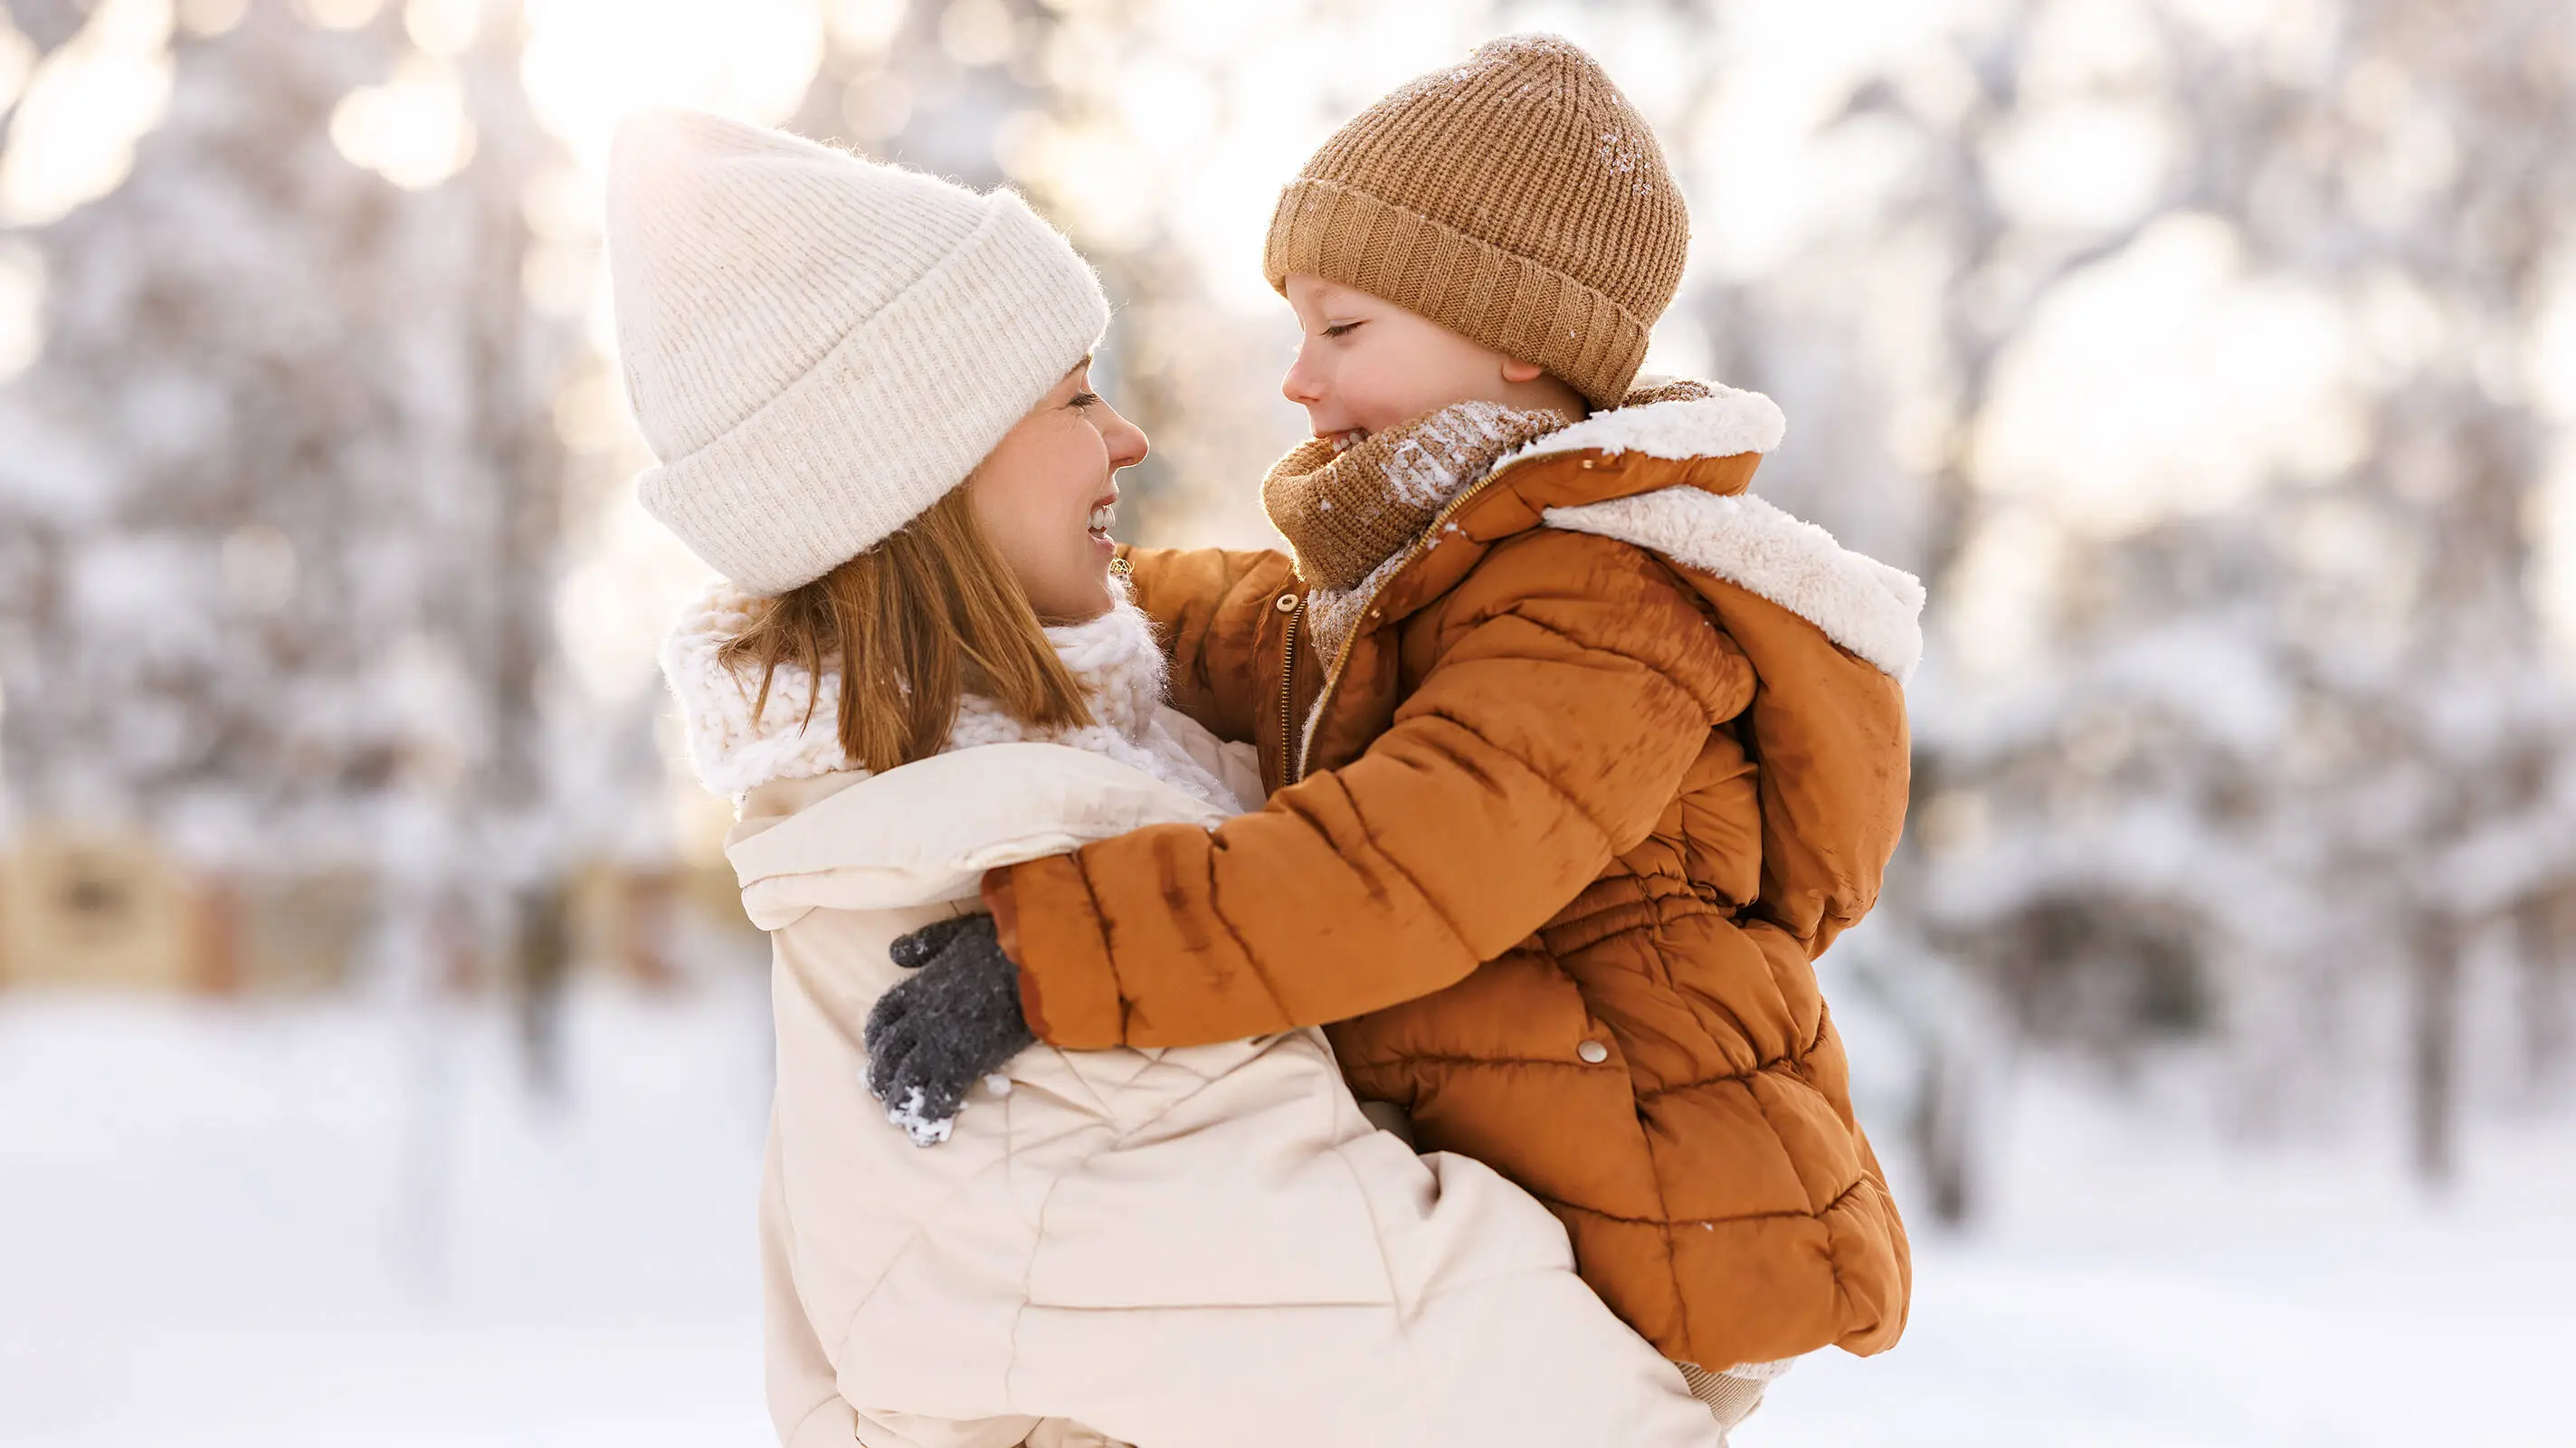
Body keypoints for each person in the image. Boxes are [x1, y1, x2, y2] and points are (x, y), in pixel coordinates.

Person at [607, 109, 1732, 1448]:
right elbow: (1530, 1395)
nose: (1130, 436)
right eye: (1074, 396)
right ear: (928, 469)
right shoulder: (1008, 876)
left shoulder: (1040, 796)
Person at [862, 35, 1924, 1434]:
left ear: (1514, 335)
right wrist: (1003, 586)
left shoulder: (1605, 606)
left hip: (1652, 1232)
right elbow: (1237, 628)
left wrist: (1055, 949)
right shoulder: (1435, 583)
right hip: (1542, 1198)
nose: (1298, 380)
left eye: (1343, 330)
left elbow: (1406, 865)